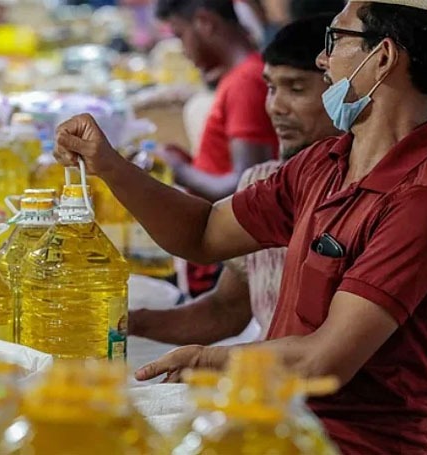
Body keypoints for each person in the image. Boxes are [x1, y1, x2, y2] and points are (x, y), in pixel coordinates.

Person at [54, 1, 427, 453]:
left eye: (336, 40)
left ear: (382, 58)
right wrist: (109, 166)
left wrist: (212, 359)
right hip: (280, 422)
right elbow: (205, 233)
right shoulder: (322, 165)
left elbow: (322, 362)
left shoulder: (421, 201)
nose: (323, 59)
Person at [129, 14, 339, 345]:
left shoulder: (368, 198)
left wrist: (114, 167)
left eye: (296, 89)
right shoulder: (264, 183)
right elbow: (225, 310)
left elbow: (326, 353)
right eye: (271, 88)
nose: (276, 107)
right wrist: (123, 322)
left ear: (345, 93)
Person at [155, 0, 279, 296]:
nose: (183, 51)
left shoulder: (246, 82)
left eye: (180, 35)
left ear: (205, 23)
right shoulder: (237, 77)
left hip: (225, 256)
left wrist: (179, 170)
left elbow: (245, 186)